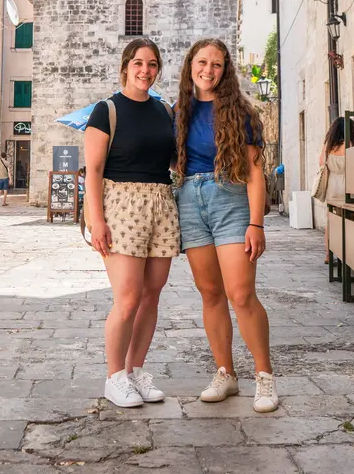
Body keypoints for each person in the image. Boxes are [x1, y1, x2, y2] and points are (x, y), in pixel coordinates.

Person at [175, 38, 277, 413]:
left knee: (241, 294)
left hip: (230, 200)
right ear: (190, 66)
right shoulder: (178, 113)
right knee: (210, 294)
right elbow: (174, 162)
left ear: (226, 70)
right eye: (202, 62)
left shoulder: (242, 113)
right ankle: (226, 374)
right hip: (190, 201)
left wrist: (256, 223)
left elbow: (254, 171)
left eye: (216, 64)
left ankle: (264, 377)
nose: (208, 70)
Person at [84, 38, 179, 409]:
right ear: (126, 66)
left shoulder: (165, 112)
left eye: (152, 64)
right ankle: (114, 377)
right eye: (138, 63)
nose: (145, 70)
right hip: (120, 205)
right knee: (127, 298)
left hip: (161, 204)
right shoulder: (106, 110)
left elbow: (173, 162)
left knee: (151, 295)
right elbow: (92, 169)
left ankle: (135, 370)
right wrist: (97, 221)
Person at [319, 117, 354, 263]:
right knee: (350, 220)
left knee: (331, 221)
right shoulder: (352, 144)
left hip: (332, 186)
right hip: (349, 186)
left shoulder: (328, 146)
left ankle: (329, 255)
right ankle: (348, 253)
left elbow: (321, 164)